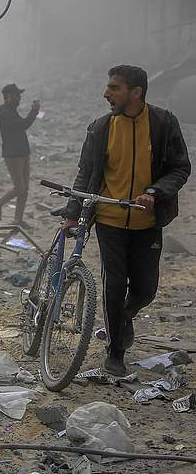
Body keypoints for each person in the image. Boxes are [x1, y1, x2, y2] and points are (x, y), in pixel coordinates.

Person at [61, 65, 190, 376]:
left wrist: (155, 192)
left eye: (114, 88)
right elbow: (86, 173)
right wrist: (71, 213)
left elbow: (180, 168)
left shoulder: (163, 123)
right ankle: (115, 351)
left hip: (148, 221)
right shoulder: (101, 127)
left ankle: (126, 315)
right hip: (110, 220)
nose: (106, 94)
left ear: (136, 92)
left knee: (146, 290)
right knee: (114, 285)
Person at [0, 83, 41, 228]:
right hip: (13, 154)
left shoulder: (10, 110)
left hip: (23, 152)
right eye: (16, 95)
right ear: (8, 96)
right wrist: (34, 111)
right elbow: (23, 125)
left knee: (24, 190)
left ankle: (17, 220)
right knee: (20, 188)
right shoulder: (5, 113)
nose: (19, 97)